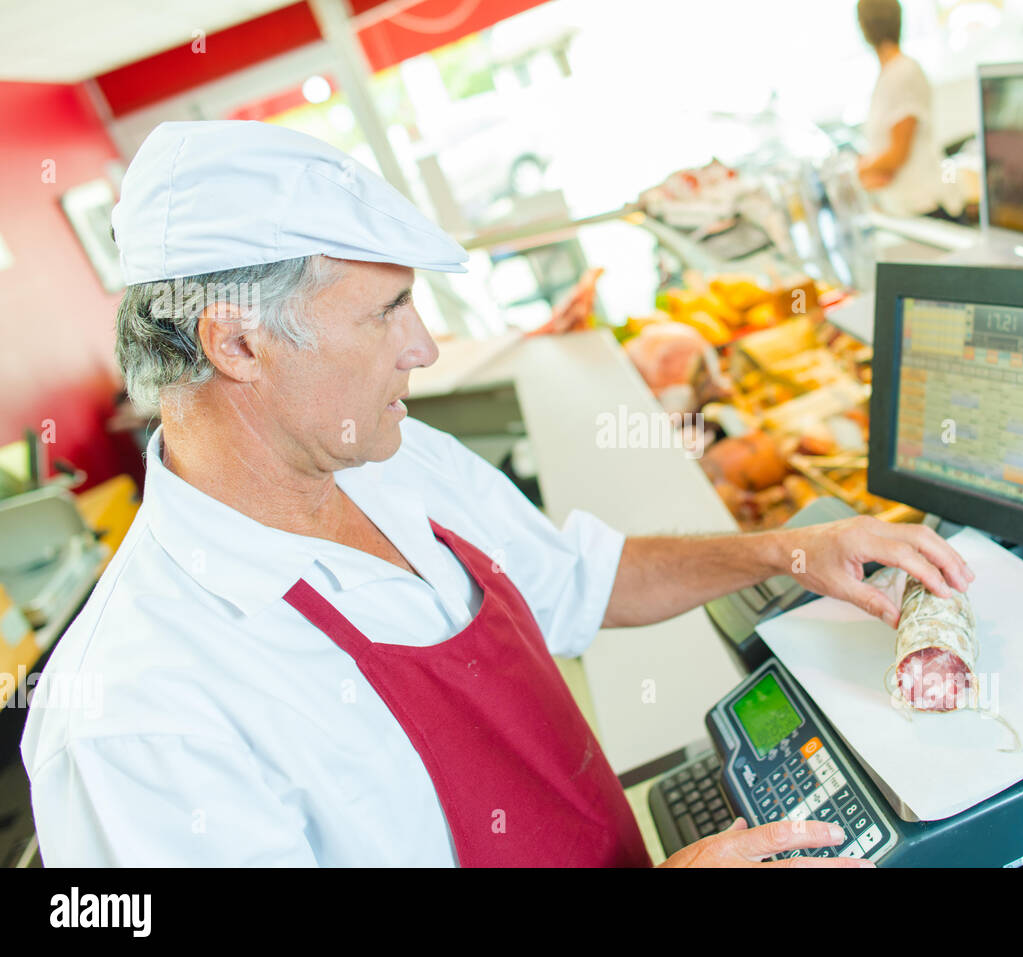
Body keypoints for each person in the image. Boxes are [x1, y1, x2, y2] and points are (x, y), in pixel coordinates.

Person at [20, 120, 973, 867]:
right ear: (237, 344)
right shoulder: (134, 720)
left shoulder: (390, 459)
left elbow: (584, 582)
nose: (425, 347)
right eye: (388, 310)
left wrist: (783, 552)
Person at [855, 0, 960, 220]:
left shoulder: (902, 73)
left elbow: (897, 154)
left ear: (864, 26)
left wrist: (858, 170)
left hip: (925, 203)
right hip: (905, 205)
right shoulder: (888, 74)